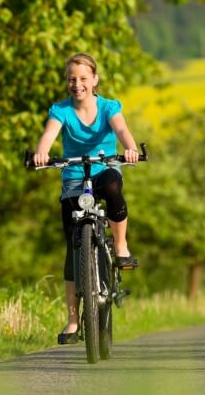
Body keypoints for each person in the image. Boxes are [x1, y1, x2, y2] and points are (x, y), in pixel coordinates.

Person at [33, 53, 141, 345]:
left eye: (83, 78)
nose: (77, 84)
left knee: (114, 188)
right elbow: (48, 135)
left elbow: (122, 130)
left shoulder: (108, 107)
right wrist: (41, 153)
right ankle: (72, 320)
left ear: (94, 80)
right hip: (73, 179)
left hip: (104, 170)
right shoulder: (61, 110)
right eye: (71, 79)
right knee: (73, 248)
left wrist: (130, 148)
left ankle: (120, 246)